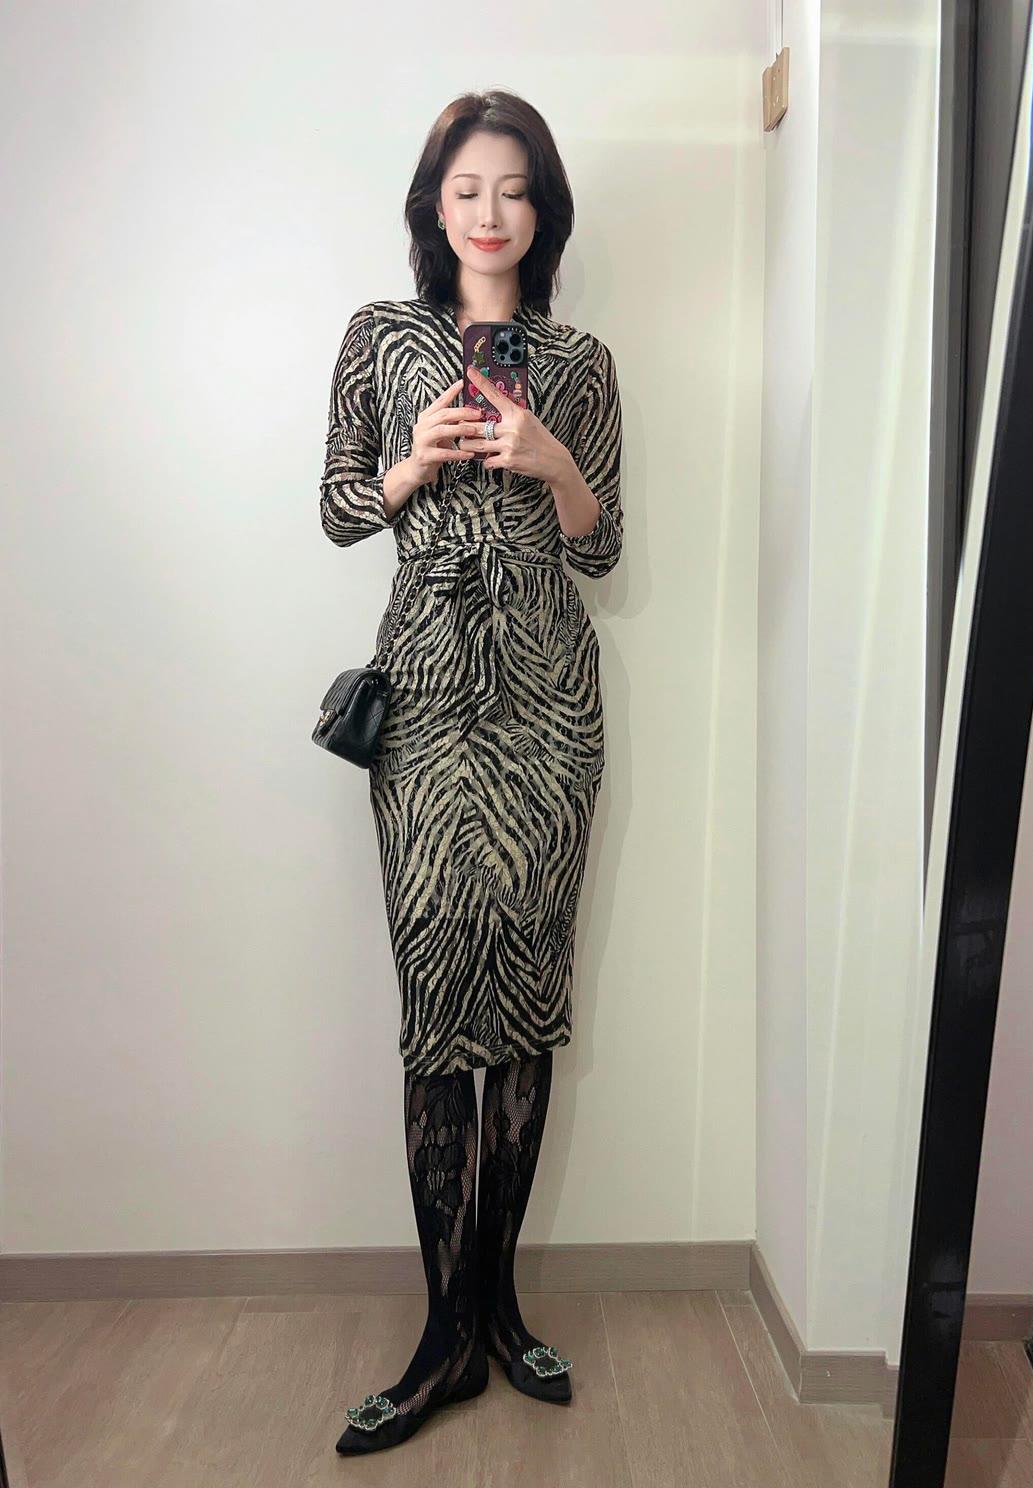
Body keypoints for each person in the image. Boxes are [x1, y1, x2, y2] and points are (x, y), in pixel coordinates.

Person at [320, 90, 623, 1455]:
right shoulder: (380, 340)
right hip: (431, 702)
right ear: (433, 207)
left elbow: (602, 545)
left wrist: (553, 463)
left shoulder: (580, 360)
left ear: (542, 210)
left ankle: (499, 1304)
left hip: (550, 707)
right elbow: (337, 507)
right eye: (466, 188)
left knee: (531, 998)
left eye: (513, 188)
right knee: (440, 1001)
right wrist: (409, 467)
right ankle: (444, 1330)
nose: (490, 212)